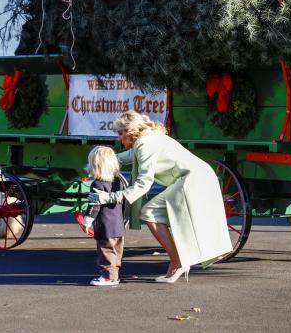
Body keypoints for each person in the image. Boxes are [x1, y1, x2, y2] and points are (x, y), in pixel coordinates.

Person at [88, 110, 232, 284]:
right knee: (154, 212)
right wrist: (98, 162)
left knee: (150, 212)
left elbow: (143, 183)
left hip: (193, 180)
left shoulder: (144, 145)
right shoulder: (147, 139)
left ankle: (177, 261)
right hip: (198, 176)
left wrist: (112, 197)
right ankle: (178, 260)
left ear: (130, 131)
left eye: (120, 133)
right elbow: (123, 158)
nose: (119, 139)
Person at [83, 146, 126, 286]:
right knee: (116, 252)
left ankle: (108, 277)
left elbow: (94, 204)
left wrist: (87, 220)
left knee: (106, 251)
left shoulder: (97, 183)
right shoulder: (118, 181)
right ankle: (114, 275)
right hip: (118, 225)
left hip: (105, 225)